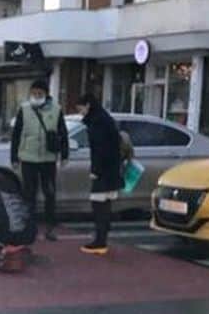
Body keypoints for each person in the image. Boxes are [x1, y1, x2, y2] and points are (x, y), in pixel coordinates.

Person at [10, 79, 69, 241]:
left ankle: (50, 227)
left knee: (49, 192)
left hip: (48, 159)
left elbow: (63, 133)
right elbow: (16, 134)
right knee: (29, 193)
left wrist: (65, 154)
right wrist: (14, 157)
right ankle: (29, 227)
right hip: (28, 158)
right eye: (34, 93)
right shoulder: (24, 109)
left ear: (46, 94)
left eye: (40, 94)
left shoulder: (56, 110)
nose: (36, 96)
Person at [75, 93, 124, 255]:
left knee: (99, 205)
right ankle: (102, 237)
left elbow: (99, 149)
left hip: (104, 171)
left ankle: (100, 241)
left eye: (80, 108)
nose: (80, 112)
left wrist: (95, 170)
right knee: (104, 204)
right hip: (111, 169)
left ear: (88, 105)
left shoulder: (97, 122)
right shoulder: (103, 118)